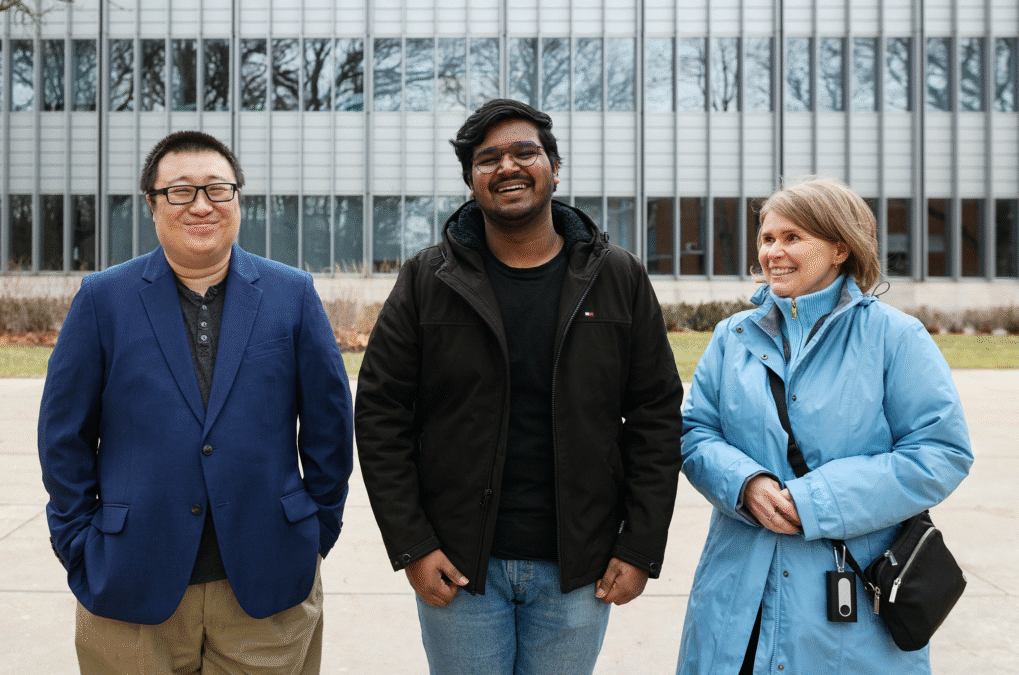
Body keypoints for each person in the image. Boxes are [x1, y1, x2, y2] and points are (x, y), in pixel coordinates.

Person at [355, 99, 683, 675]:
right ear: (471, 180)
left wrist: (639, 546)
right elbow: (381, 413)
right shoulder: (428, 279)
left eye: (524, 152)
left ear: (555, 168)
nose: (507, 166)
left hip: (579, 565)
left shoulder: (618, 277)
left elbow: (655, 416)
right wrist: (412, 544)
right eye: (488, 159)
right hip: (458, 565)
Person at [38, 131, 354, 674]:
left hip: (267, 578)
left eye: (217, 189)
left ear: (238, 199)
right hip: (130, 582)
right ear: (153, 206)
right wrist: (77, 542)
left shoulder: (292, 293)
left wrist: (314, 532)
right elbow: (63, 435)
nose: (202, 205)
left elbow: (329, 425)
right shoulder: (103, 298)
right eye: (180, 192)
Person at [675, 178, 973, 674]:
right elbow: (695, 432)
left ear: (840, 247)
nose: (774, 251)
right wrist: (745, 484)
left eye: (793, 237)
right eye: (768, 238)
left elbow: (940, 453)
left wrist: (815, 502)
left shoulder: (894, 337)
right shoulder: (732, 336)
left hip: (851, 611)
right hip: (734, 599)